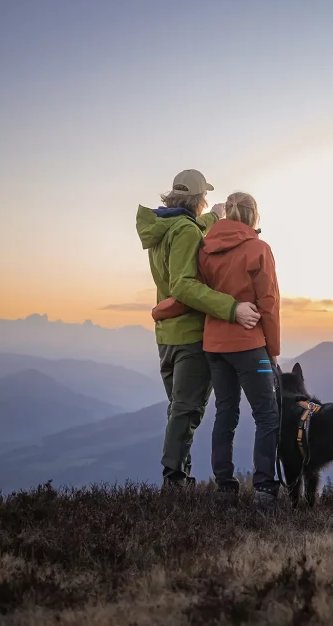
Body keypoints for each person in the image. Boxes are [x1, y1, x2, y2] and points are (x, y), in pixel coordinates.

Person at [153, 191, 281, 509]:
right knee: (267, 415)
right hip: (251, 347)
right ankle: (265, 488)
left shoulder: (206, 250)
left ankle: (225, 487)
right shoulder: (258, 249)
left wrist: (160, 311)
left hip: (213, 346)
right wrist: (273, 350)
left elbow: (190, 293)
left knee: (226, 412)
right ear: (253, 217)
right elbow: (269, 304)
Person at [136, 169, 262, 488]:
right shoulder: (187, 231)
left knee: (179, 410)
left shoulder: (164, 227)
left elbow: (187, 233)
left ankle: (181, 477)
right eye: (205, 198)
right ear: (199, 199)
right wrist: (232, 308)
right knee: (187, 410)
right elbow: (183, 285)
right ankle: (175, 480)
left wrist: (213, 219)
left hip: (166, 335)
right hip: (191, 334)